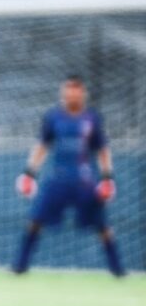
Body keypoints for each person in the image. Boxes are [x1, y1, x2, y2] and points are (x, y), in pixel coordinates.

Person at [12, 75, 123, 276]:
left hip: (84, 182)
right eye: (68, 90)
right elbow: (42, 146)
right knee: (35, 221)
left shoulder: (92, 118)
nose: (72, 94)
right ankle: (20, 267)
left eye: (76, 90)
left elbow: (102, 150)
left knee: (103, 227)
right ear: (63, 93)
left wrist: (108, 177)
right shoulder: (53, 118)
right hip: (58, 181)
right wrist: (29, 173)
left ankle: (117, 270)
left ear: (82, 93)